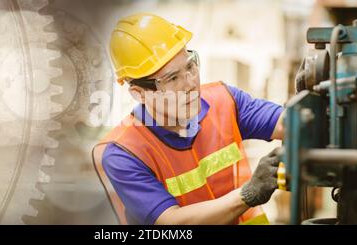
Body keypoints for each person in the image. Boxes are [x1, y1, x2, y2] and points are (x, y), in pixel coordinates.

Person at [92, 13, 284, 225]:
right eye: (172, 78)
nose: (190, 84)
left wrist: (312, 101)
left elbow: (287, 123)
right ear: (139, 93)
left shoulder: (225, 101)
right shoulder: (124, 153)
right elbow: (171, 223)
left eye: (191, 66)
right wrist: (248, 194)